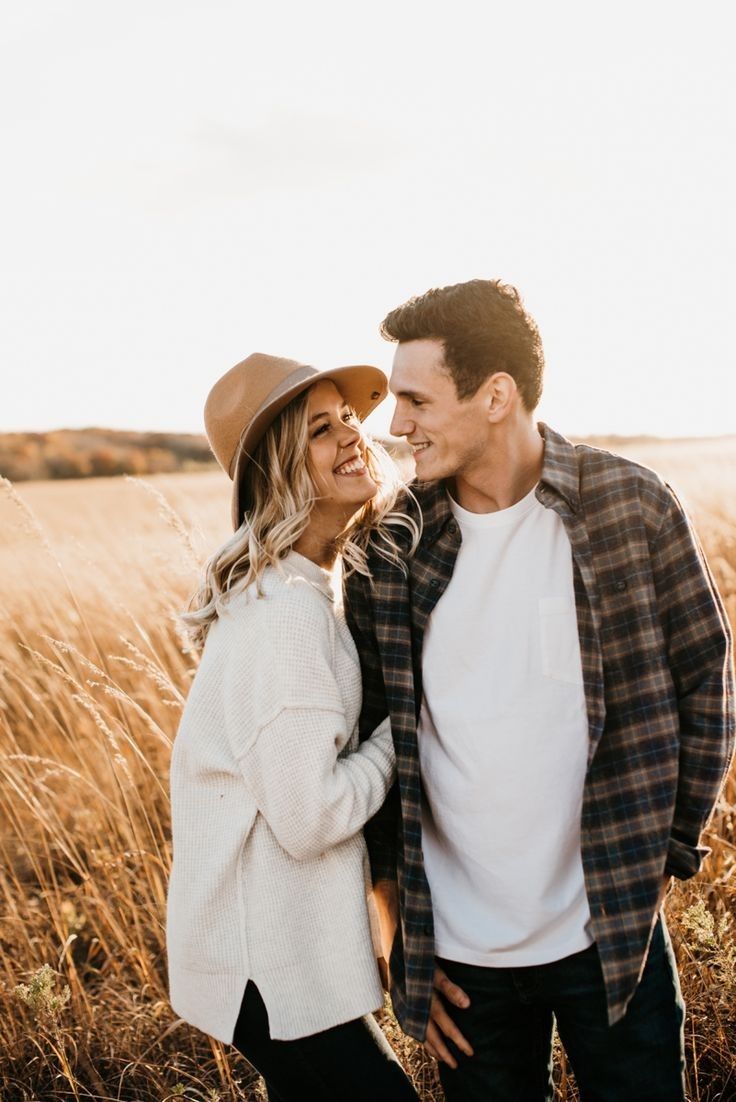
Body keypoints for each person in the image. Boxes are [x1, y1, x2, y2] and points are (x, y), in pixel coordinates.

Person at [344, 280, 735, 1102]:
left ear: (496, 396)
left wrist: (665, 855)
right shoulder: (391, 546)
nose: (395, 424)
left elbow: (708, 681)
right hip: (463, 968)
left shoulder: (632, 506)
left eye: (416, 399)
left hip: (613, 937)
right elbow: (372, 734)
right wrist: (399, 925)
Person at [167, 353, 421, 1102]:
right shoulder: (284, 616)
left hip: (282, 952)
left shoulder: (303, 587)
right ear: (278, 472)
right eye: (320, 429)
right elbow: (311, 817)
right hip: (268, 964)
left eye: (347, 418)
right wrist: (402, 733)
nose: (352, 435)